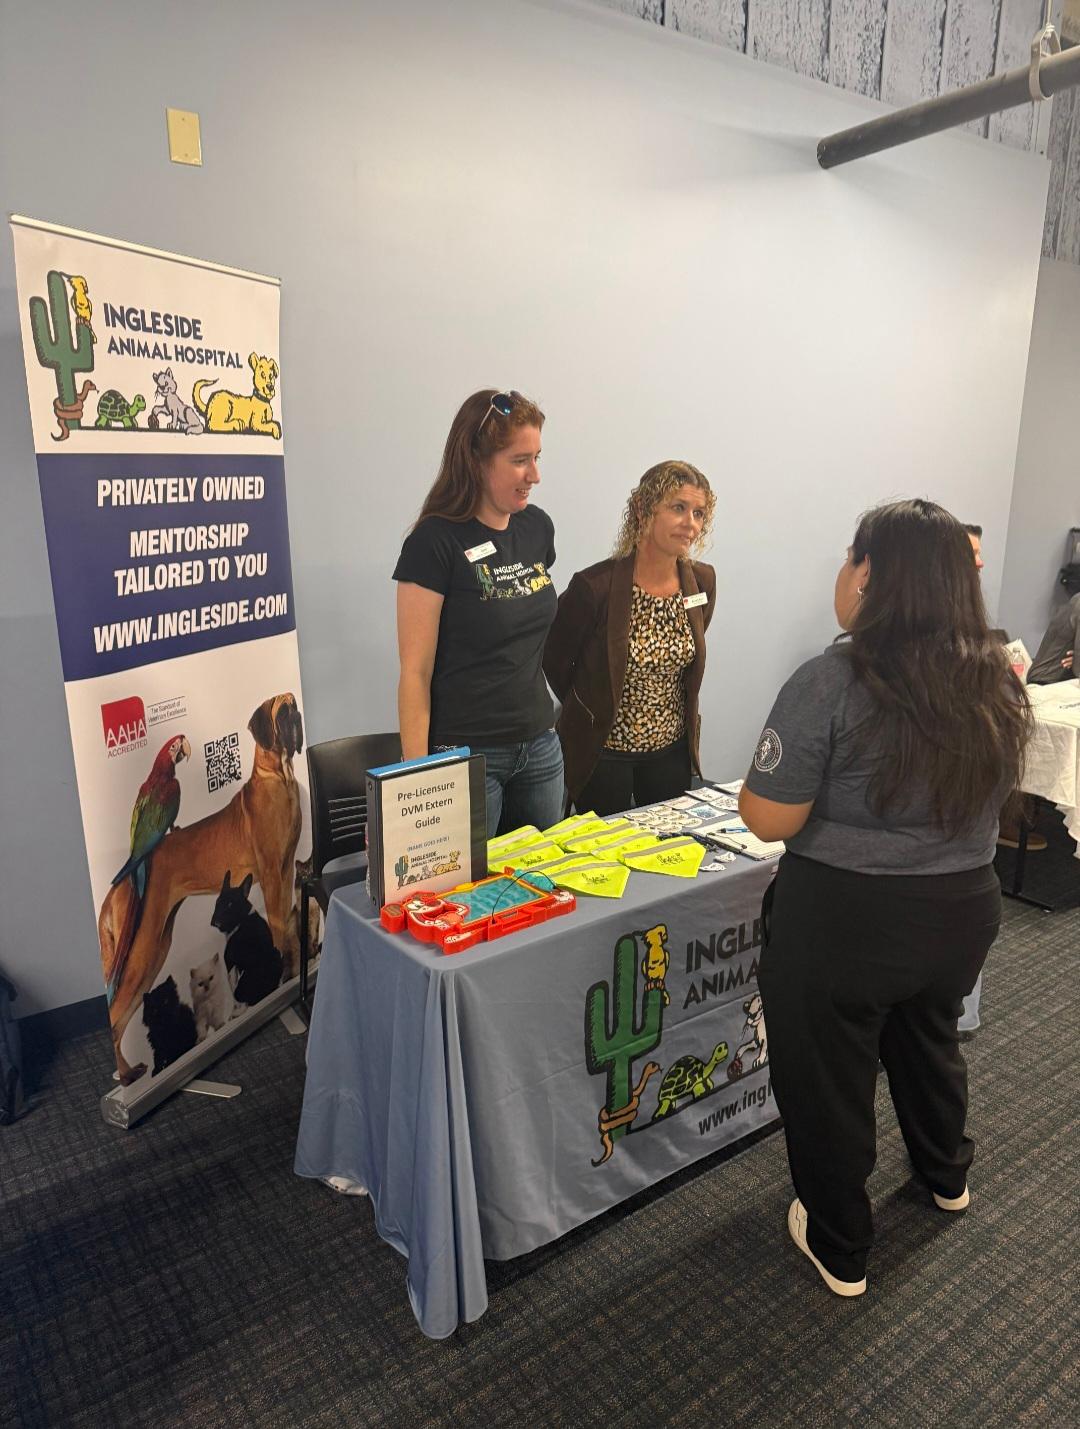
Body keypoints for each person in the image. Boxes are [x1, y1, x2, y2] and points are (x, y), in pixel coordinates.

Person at [739, 499, 1031, 1297]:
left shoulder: (830, 678)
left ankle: (839, 1242)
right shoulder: (999, 677)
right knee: (928, 1036)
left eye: (848, 558)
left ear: (870, 573)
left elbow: (767, 817)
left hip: (846, 920)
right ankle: (946, 1175)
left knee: (830, 1078)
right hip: (963, 908)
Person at [393, 389, 564, 836]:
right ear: (476, 460)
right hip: (465, 757)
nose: (535, 475)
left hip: (540, 746)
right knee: (468, 900)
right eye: (520, 460)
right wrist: (418, 779)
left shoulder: (536, 528)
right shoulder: (433, 543)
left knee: (543, 889)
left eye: (537, 457)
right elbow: (414, 672)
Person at [543, 461, 716, 815]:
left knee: (666, 857)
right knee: (603, 861)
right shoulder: (594, 587)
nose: (691, 524)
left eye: (699, 513)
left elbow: (687, 658)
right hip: (604, 754)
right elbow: (555, 661)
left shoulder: (702, 582)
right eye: (678, 508)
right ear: (643, 508)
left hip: (671, 752)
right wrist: (593, 706)